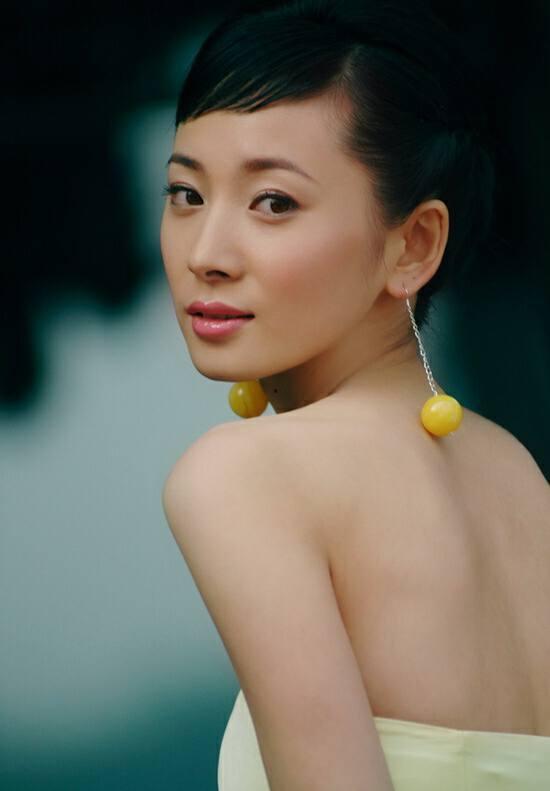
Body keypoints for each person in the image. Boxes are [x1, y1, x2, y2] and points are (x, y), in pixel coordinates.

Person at [160, 1, 550, 788]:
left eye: (274, 202)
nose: (207, 253)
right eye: (186, 194)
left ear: (414, 244)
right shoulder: (513, 470)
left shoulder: (244, 475)